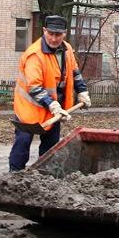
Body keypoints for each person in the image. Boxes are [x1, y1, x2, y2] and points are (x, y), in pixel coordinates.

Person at [10, 14, 90, 171]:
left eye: (58, 34)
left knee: (50, 147)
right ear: (44, 31)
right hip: (29, 109)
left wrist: (82, 91)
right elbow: (34, 87)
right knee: (22, 144)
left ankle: (45, 178)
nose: (54, 39)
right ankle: (14, 177)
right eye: (51, 34)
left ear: (65, 33)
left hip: (54, 109)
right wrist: (53, 105)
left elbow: (74, 72)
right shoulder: (35, 55)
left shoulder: (67, 49)